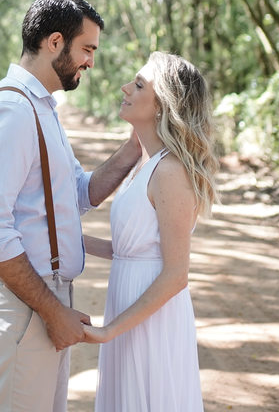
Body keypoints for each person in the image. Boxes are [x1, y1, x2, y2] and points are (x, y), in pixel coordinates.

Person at [0, 0, 143, 412]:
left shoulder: (41, 106)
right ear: (55, 42)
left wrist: (135, 146)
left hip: (40, 302)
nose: (91, 62)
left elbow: (78, 193)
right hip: (24, 306)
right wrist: (51, 310)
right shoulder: (14, 110)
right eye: (87, 49)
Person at [82, 51, 219, 412]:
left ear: (162, 105)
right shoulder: (144, 165)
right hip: (127, 303)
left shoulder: (171, 172)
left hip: (152, 319)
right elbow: (133, 249)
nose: (125, 87)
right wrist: (67, 240)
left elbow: (175, 275)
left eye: (139, 84)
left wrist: (109, 330)